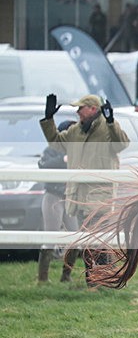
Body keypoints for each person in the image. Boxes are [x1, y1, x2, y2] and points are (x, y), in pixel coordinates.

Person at [39, 94, 130, 286]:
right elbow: (56, 142)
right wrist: (48, 120)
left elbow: (122, 144)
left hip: (100, 193)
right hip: (79, 194)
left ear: (93, 109)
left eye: (81, 108)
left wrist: (112, 121)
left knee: (98, 240)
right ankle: (95, 282)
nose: (77, 111)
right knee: (89, 241)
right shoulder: (75, 131)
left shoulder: (107, 129)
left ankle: (100, 281)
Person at [36, 120, 80, 283]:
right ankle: (43, 278)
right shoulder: (51, 150)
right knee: (50, 238)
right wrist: (64, 159)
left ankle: (66, 276)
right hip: (53, 196)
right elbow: (44, 165)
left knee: (75, 240)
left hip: (69, 197)